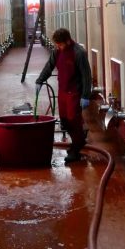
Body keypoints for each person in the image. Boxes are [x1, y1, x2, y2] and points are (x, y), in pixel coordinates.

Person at [35, 27, 92, 163]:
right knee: (65, 121)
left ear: (67, 41)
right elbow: (49, 66)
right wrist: (40, 80)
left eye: (60, 44)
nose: (58, 47)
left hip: (74, 93)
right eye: (57, 45)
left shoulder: (79, 53)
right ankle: (78, 141)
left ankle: (76, 148)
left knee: (74, 121)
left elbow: (86, 76)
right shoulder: (57, 52)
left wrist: (85, 95)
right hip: (62, 91)